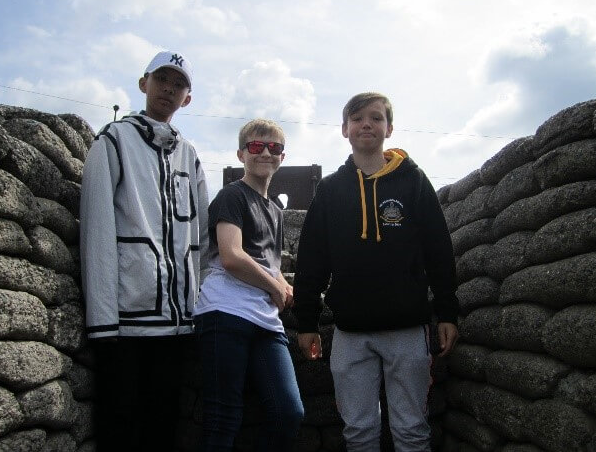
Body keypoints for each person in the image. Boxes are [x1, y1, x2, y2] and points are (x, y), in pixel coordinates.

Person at [293, 92, 459, 452]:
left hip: (407, 330)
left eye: (376, 117)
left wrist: (447, 311)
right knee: (359, 432)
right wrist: (307, 322)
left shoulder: (413, 182)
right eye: (357, 118)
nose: (366, 124)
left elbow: (438, 250)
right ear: (344, 129)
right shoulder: (330, 190)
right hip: (351, 333)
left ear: (389, 128)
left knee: (412, 430)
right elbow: (312, 260)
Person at [79, 50, 209, 451]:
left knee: (163, 422)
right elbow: (97, 228)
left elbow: (201, 238)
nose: (169, 89)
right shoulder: (114, 139)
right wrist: (102, 319)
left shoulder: (190, 154)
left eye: (179, 85)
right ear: (144, 84)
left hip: (176, 322)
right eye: (162, 80)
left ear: (187, 99)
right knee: (120, 421)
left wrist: (197, 305)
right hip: (125, 318)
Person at [193, 119, 304, 451]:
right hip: (224, 313)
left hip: (265, 320)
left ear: (282, 157)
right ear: (241, 153)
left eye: (274, 148)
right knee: (223, 417)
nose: (265, 153)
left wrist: (286, 286)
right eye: (256, 147)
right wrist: (274, 287)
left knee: (289, 413)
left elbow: (273, 265)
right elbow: (231, 255)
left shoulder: (276, 211)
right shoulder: (232, 196)